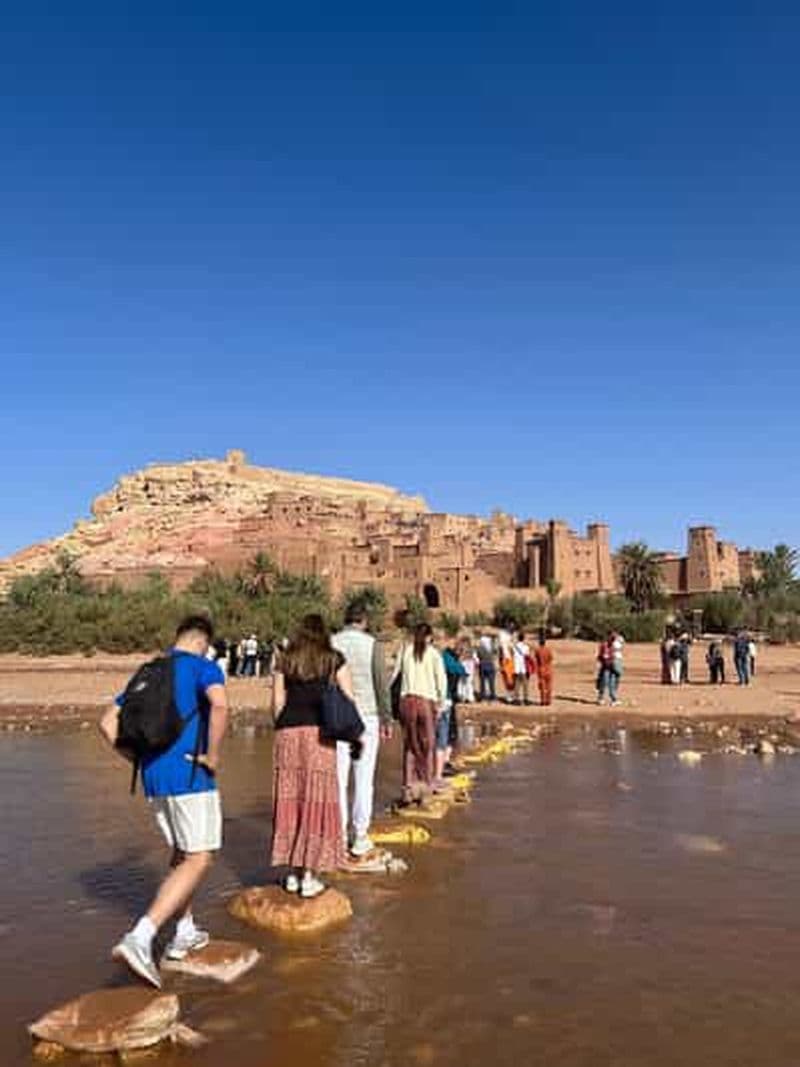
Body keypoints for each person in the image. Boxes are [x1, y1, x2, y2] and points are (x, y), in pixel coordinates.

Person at [99, 616, 228, 989]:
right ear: (204, 642)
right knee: (200, 856)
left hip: (154, 779)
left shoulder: (151, 669)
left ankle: (184, 931)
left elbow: (107, 723)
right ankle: (141, 937)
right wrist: (214, 755)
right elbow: (220, 707)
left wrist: (138, 761)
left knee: (182, 852)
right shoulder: (204, 667)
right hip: (191, 775)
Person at [271, 614, 354, 897]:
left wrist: (282, 728)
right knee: (316, 799)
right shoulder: (333, 659)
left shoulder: (285, 659)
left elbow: (277, 702)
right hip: (320, 735)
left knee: (291, 797)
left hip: (288, 733)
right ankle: (309, 875)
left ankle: (293, 873)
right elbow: (349, 699)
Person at [332, 604, 392, 858]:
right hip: (366, 716)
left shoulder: (331, 642)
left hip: (337, 717)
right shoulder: (373, 645)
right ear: (364, 621)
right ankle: (360, 836)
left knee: (338, 778)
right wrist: (387, 716)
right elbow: (381, 684)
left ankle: (338, 835)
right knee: (364, 778)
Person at [392, 623, 448, 805]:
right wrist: (441, 703)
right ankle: (427, 786)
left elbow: (394, 676)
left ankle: (408, 787)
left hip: (406, 701)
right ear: (429, 637)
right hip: (426, 702)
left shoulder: (405, 651)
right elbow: (442, 681)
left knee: (410, 744)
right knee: (428, 744)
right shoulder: (433, 654)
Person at [439, 645, 466, 785]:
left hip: (441, 700)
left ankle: (443, 762)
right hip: (446, 701)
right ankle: (444, 763)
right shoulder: (451, 663)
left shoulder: (443, 658)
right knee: (449, 733)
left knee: (445, 733)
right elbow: (461, 672)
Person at [597, 631, 621, 706]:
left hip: (612, 666)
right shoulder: (605, 645)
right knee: (604, 682)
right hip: (606, 667)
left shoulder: (614, 645)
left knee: (612, 683)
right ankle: (601, 698)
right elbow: (603, 656)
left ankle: (613, 699)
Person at [511, 632, 531, 705]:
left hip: (516, 667)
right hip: (523, 668)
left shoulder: (514, 647)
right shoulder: (526, 647)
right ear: (523, 638)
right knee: (525, 685)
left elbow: (512, 654)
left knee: (517, 684)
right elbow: (528, 656)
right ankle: (526, 699)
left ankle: (516, 699)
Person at [534, 633, 554, 705]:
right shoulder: (548, 650)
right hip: (548, 668)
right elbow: (551, 659)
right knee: (549, 686)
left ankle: (543, 700)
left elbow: (536, 660)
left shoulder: (537, 650)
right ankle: (548, 700)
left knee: (542, 686)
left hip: (541, 669)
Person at [476, 635, 497, 701]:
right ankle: (492, 695)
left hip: (483, 665)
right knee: (491, 682)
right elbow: (495, 653)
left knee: (482, 681)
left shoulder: (480, 648)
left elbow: (478, 656)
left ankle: (483, 695)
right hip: (491, 665)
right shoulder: (491, 647)